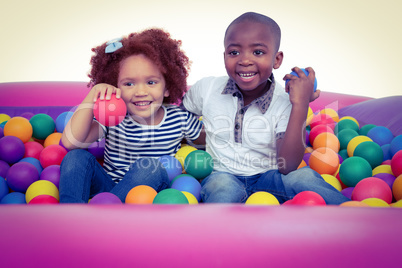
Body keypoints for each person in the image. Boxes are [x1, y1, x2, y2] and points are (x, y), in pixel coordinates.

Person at [182, 12, 350, 204]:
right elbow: (180, 116)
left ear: (277, 60)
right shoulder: (207, 88)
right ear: (224, 56)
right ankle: (221, 232)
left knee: (305, 178)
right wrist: (200, 139)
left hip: (269, 177)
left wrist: (300, 105)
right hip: (222, 174)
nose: (245, 60)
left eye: (258, 52)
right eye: (234, 52)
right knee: (221, 188)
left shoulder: (285, 101)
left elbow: (288, 166)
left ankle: (357, 219)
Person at [59, 28, 204, 203]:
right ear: (114, 86)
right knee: (76, 157)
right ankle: (71, 216)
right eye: (129, 83)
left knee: (150, 167)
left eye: (151, 82)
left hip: (150, 194)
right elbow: (70, 143)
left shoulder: (179, 118)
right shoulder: (112, 117)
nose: (141, 91)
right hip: (109, 189)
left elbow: (211, 143)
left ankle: (106, 213)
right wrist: (93, 95)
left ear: (167, 87)